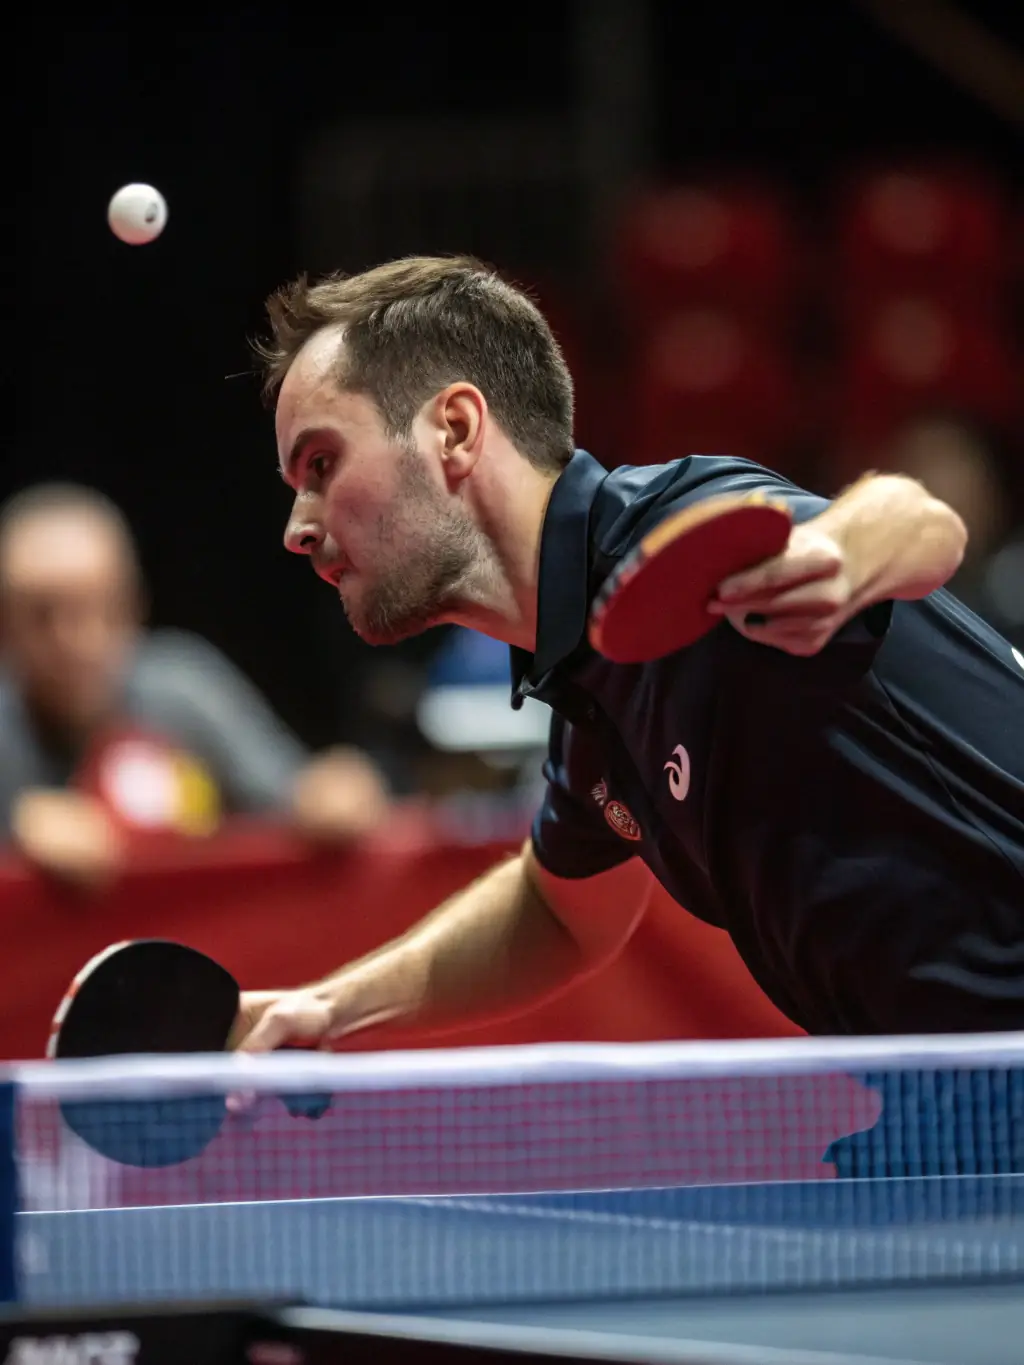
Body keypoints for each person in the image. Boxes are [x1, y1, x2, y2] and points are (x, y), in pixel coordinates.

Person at [231, 255, 1024, 1053]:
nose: (297, 528)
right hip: (952, 1098)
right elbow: (553, 913)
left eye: (322, 464)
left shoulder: (672, 531)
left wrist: (837, 555)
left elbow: (917, 519)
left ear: (457, 430)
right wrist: (328, 1007)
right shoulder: (590, 692)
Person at [0, 483, 388, 887]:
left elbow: (298, 796)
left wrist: (335, 792)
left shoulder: (183, 689)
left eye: (99, 609)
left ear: (133, 606)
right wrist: (15, 831)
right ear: (4, 627)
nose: (74, 641)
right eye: (43, 616)